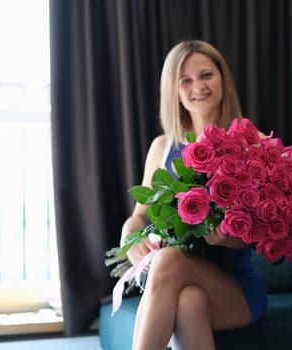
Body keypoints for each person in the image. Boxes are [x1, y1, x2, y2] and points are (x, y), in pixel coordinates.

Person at [119, 40, 267, 350]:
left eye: (206, 75)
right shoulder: (162, 147)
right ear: (173, 90)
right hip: (187, 285)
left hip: (235, 289)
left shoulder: (254, 145)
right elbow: (139, 215)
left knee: (170, 259)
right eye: (185, 80)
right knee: (188, 301)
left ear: (222, 80)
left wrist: (232, 238)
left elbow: (268, 234)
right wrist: (129, 239)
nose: (197, 86)